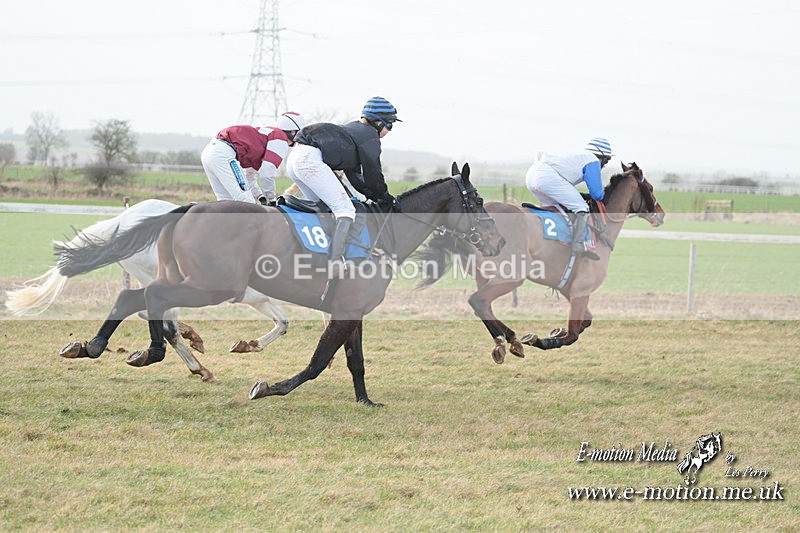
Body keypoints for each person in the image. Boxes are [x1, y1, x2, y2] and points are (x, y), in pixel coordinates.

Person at [286, 96, 400, 275]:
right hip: (309, 160)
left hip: (295, 158)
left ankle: (319, 251)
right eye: (390, 124)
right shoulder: (370, 137)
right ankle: (336, 262)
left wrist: (372, 196)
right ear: (378, 122)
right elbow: (373, 175)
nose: (390, 130)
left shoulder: (355, 132)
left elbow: (356, 177)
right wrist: (385, 197)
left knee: (327, 209)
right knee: (346, 210)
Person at [524, 137, 613, 260]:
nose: (604, 166)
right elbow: (597, 194)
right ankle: (578, 244)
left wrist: (584, 195)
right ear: (601, 157)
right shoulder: (592, 160)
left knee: (557, 208)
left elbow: (568, 190)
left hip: (532, 175)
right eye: (607, 161)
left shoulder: (580, 157)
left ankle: (555, 241)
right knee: (582, 207)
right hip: (546, 177)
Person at [201, 111, 306, 205]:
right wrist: (272, 199)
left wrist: (259, 195)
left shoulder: (264, 140)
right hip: (224, 153)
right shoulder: (280, 139)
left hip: (210, 151)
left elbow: (249, 176)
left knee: (226, 203)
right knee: (247, 205)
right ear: (293, 132)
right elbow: (267, 173)